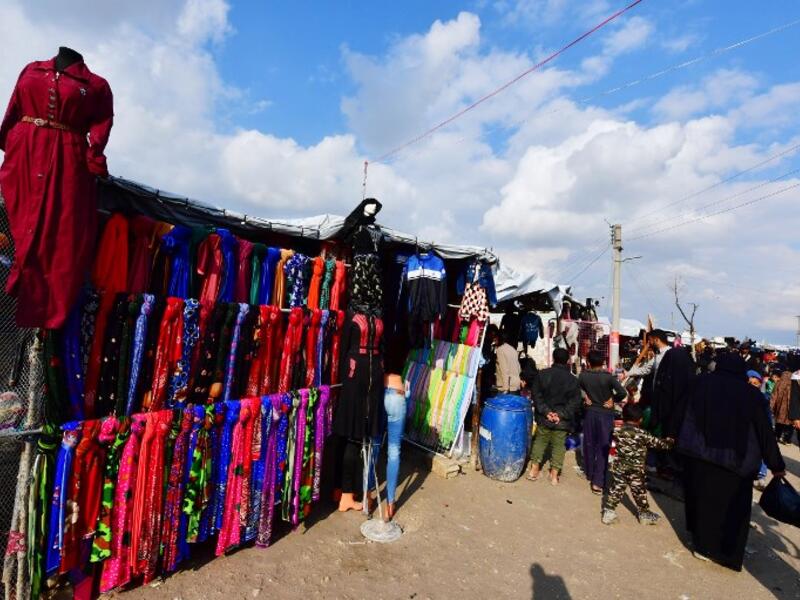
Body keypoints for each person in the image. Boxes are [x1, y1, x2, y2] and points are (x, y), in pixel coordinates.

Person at [677, 353, 785, 571]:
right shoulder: (751, 395)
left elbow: (681, 413)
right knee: (734, 509)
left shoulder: (700, 383)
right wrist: (776, 465)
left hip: (700, 455)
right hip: (737, 463)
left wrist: (672, 439)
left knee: (703, 502)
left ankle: (702, 546)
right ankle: (728, 553)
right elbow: (765, 433)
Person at [602, 403, 674, 525]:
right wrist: (670, 441)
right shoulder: (643, 434)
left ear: (624, 416)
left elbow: (610, 437)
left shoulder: (617, 430)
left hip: (619, 467)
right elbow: (660, 444)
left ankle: (608, 513)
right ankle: (644, 514)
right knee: (639, 491)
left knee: (616, 489)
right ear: (640, 419)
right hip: (636, 469)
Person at [527, 348, 581, 485]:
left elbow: (536, 395)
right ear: (568, 361)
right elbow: (575, 402)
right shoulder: (573, 380)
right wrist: (561, 415)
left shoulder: (542, 375)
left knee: (540, 440)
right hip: (561, 420)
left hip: (544, 417)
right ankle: (554, 476)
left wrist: (546, 412)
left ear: (553, 358)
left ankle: (534, 470)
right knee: (559, 445)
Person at [578, 350, 627, 494]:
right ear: (603, 362)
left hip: (590, 413)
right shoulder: (609, 378)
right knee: (603, 447)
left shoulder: (583, 376)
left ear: (588, 362)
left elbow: (576, 388)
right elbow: (622, 393)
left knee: (589, 444)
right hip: (606, 414)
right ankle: (598, 482)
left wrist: (584, 396)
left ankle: (589, 472)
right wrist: (613, 400)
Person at [383, 372, 408, 520]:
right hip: (396, 394)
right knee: (393, 452)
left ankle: (367, 497)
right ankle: (390, 505)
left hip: (379, 391)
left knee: (373, 445)